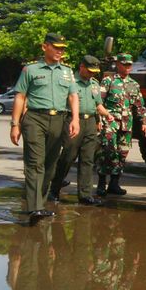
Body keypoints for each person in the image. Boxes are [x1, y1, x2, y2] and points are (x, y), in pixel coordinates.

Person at [10, 32, 79, 223]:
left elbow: (73, 96)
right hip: (34, 118)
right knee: (35, 163)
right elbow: (20, 97)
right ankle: (35, 207)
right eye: (56, 48)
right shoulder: (30, 70)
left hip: (58, 120)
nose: (60, 52)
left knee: (50, 164)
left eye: (62, 49)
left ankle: (37, 201)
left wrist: (75, 119)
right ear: (44, 47)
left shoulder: (67, 71)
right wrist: (14, 124)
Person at [49, 55, 112, 205]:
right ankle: (54, 189)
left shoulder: (94, 84)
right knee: (68, 156)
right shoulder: (69, 82)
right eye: (89, 70)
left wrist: (106, 115)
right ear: (81, 67)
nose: (92, 74)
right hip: (72, 120)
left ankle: (85, 194)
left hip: (90, 121)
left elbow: (98, 105)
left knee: (88, 159)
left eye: (94, 72)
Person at [96, 53, 146, 196]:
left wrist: (143, 121)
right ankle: (101, 184)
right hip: (110, 122)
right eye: (124, 64)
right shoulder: (109, 81)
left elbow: (140, 105)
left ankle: (114, 183)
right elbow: (99, 102)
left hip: (127, 124)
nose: (127, 67)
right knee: (107, 151)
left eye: (129, 65)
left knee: (122, 153)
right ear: (118, 65)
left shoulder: (134, 84)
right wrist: (99, 120)